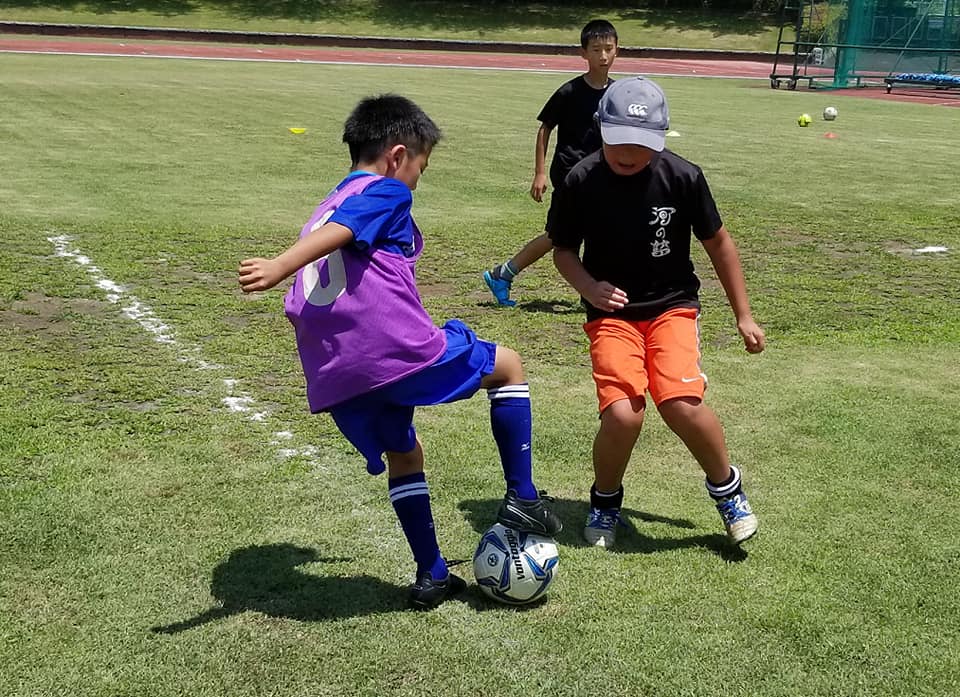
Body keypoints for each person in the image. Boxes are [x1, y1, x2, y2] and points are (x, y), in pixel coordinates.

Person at [238, 94, 561, 609]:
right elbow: (343, 234)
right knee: (508, 365)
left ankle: (432, 573)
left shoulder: (332, 197)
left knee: (404, 454)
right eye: (420, 169)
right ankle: (522, 497)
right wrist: (278, 265)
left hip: (336, 372)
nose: (415, 181)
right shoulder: (385, 190)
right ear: (396, 155)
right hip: (389, 353)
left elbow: (343, 249)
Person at [549, 76, 766, 548]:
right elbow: (563, 250)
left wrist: (743, 315)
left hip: (672, 306)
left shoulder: (683, 177)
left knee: (680, 403)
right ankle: (605, 502)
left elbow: (719, 245)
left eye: (643, 145)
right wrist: (589, 285)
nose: (630, 154)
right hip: (612, 315)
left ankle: (727, 489)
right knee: (623, 414)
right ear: (600, 129)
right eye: (619, 142)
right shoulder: (580, 180)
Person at [483, 19, 619, 307]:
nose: (603, 56)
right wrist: (539, 173)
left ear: (617, 51)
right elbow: (545, 129)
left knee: (588, 231)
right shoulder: (569, 92)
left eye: (609, 49)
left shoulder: (618, 94)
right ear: (584, 53)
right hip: (570, 175)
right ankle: (504, 274)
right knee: (560, 235)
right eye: (596, 49)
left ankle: (588, 292)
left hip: (601, 176)